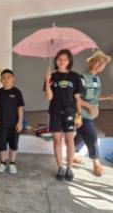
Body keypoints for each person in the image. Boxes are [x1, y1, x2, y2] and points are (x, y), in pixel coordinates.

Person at [44, 48, 83, 182]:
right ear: (55, 61)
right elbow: (49, 97)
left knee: (69, 140)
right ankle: (60, 167)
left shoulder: (75, 76)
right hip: (55, 111)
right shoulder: (52, 77)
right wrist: (47, 81)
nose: (62, 61)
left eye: (65, 59)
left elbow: (77, 98)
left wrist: (79, 114)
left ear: (69, 61)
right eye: (59, 59)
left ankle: (69, 168)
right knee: (57, 140)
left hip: (70, 112)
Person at [74, 51, 113, 177]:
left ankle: (72, 153)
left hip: (91, 114)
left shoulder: (96, 78)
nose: (100, 65)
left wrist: (107, 97)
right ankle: (96, 163)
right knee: (91, 135)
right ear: (90, 62)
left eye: (103, 63)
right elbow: (75, 98)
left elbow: (94, 96)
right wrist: (90, 107)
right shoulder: (81, 78)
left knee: (81, 135)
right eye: (98, 61)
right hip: (82, 114)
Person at [0, 69, 25, 174]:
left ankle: (12, 163)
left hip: (14, 124)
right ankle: (3, 163)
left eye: (8, 77)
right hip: (1, 124)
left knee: (14, 145)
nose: (6, 79)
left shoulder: (17, 92)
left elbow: (20, 108)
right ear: (1, 80)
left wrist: (20, 122)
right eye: (3, 78)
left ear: (13, 79)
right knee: (2, 145)